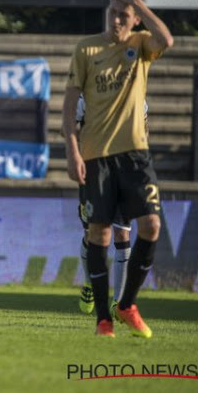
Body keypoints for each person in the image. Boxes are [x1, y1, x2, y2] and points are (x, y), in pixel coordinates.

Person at [63, 0, 173, 338]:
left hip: (135, 155)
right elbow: (69, 102)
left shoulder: (140, 45)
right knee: (100, 232)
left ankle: (126, 304)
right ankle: (103, 320)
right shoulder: (86, 49)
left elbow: (167, 40)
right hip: (96, 155)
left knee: (151, 225)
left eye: (123, 14)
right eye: (112, 11)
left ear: (135, 17)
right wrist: (71, 148)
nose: (115, 19)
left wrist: (137, 1)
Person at [76, 96, 147, 315]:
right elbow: (77, 131)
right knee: (93, 233)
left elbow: (143, 129)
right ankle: (89, 282)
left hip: (124, 171)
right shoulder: (86, 96)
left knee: (122, 234)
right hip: (94, 170)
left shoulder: (136, 95)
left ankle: (118, 301)